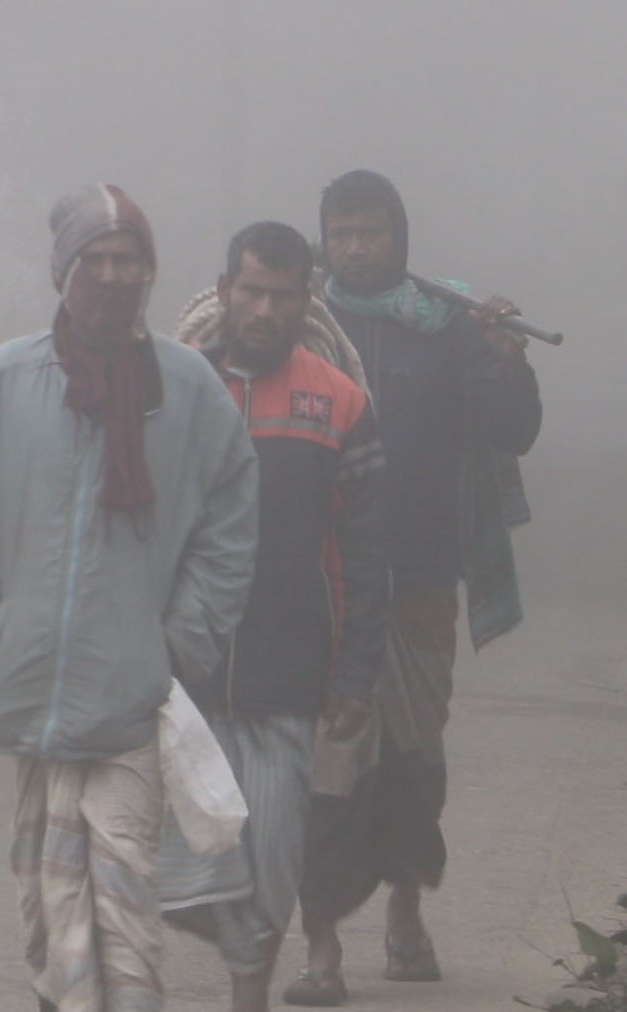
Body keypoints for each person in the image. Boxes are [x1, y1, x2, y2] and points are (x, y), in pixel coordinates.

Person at [0, 183, 260, 1012]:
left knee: (122, 905)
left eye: (130, 261)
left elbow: (230, 522)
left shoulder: (186, 390)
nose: (114, 276)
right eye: (96, 260)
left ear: (149, 275)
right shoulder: (7, 380)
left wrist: (178, 646)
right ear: (60, 271)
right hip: (31, 695)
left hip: (132, 703)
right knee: (51, 907)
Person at [284, 170, 544, 1007]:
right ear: (323, 239)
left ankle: (404, 919)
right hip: (320, 578)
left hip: (424, 569)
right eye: (341, 233)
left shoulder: (450, 326)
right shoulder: (295, 323)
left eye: (372, 233)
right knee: (325, 761)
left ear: (401, 240)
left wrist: (508, 361)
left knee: (414, 749)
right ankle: (320, 945)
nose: (355, 248)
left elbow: (512, 430)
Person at [160, 221, 389, 1012]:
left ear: (306, 301)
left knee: (272, 863)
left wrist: (356, 671)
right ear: (223, 291)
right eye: (250, 291)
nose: (264, 309)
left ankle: (245, 998)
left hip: (291, 678)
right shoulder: (171, 390)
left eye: (283, 296)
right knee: (184, 867)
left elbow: (365, 553)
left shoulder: (340, 400)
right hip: (179, 679)